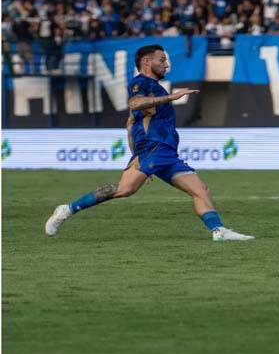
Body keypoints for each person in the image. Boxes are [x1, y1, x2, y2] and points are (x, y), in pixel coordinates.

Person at [45, 44, 254, 242]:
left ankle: (218, 231)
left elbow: (130, 125)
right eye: (161, 60)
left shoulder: (156, 88)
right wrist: (172, 97)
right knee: (125, 190)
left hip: (166, 152)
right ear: (146, 61)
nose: (166, 65)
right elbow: (134, 103)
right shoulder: (141, 83)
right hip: (154, 148)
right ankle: (68, 209)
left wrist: (135, 156)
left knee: (201, 190)